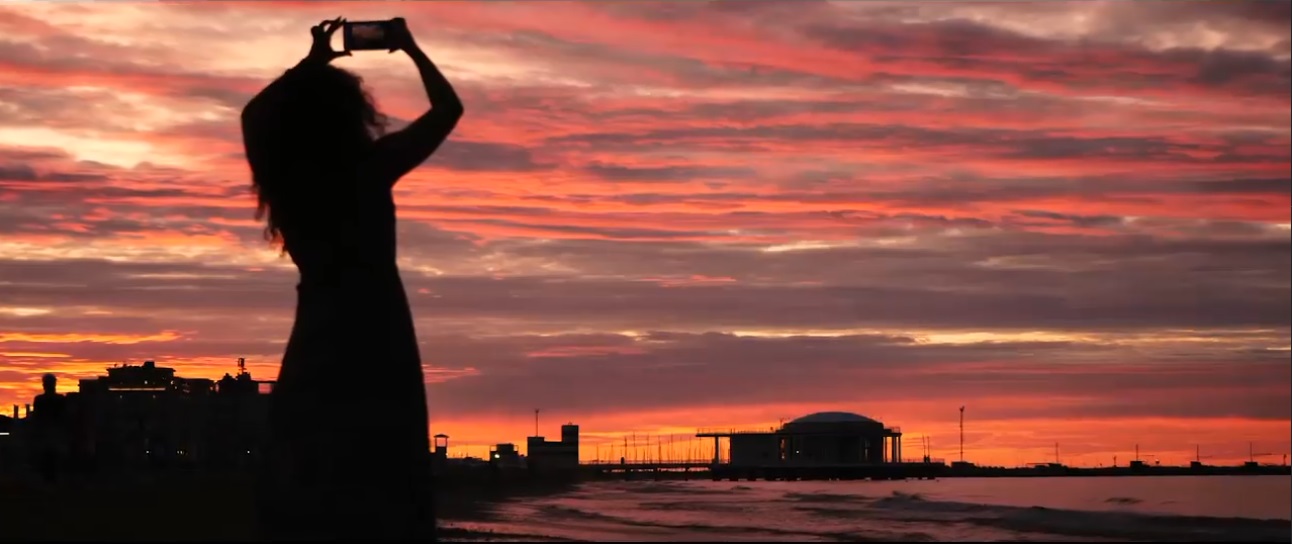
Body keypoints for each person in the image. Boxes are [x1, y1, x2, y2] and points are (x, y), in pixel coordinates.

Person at [239, 16, 463, 541]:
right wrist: (409, 46)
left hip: (318, 321)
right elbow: (448, 109)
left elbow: (255, 113)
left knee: (310, 450)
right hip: (378, 324)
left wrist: (310, 64)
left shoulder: (286, 180)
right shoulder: (370, 167)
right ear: (350, 118)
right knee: (384, 459)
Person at [31, 373, 69, 483]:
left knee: (50, 457)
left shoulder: (41, 399)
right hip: (51, 432)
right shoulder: (58, 399)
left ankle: (50, 479)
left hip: (50, 432)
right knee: (50, 457)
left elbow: (37, 417)